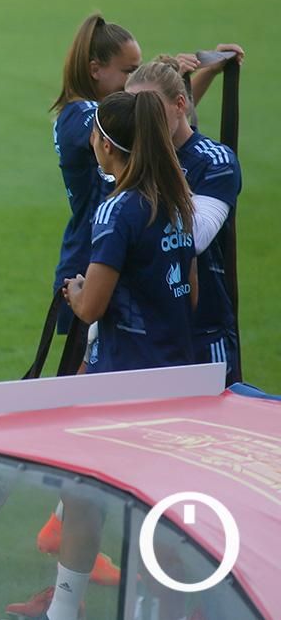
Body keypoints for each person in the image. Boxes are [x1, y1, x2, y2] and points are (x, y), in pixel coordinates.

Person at [10, 89, 197, 620]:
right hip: (177, 374)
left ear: (106, 144)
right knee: (160, 504)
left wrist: (74, 292)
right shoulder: (176, 197)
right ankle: (159, 608)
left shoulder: (118, 208)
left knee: (87, 493)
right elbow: (190, 286)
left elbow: (91, 307)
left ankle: (65, 611)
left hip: (124, 377)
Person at [125, 52, 245, 384]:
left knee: (213, 429)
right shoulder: (127, 156)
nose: (142, 121)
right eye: (134, 110)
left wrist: (156, 161)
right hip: (142, 328)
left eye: (150, 109)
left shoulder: (215, 160)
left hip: (202, 328)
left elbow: (195, 237)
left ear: (181, 105)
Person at [49, 13, 141, 334]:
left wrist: (184, 84)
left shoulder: (99, 113)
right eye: (130, 72)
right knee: (85, 377)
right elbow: (140, 128)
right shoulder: (80, 115)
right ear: (95, 69)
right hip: (88, 263)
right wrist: (159, 86)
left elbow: (156, 128)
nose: (134, 82)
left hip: (107, 256)